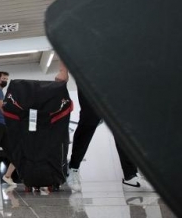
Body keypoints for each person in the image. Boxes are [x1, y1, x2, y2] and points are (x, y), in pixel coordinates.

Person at [59, 63, 153, 192]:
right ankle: (73, 168)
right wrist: (63, 70)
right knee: (90, 118)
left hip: (113, 70)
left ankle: (130, 176)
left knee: (119, 121)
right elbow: (64, 43)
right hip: (86, 70)